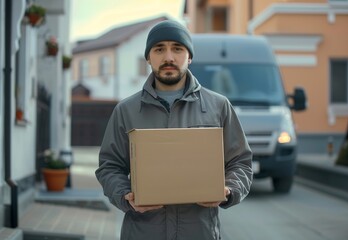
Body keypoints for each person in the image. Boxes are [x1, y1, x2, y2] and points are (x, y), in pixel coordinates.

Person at [95, 20, 253, 240]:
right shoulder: (126, 111)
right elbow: (109, 166)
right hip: (142, 233)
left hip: (200, 233)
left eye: (177, 48)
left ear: (189, 57)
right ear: (149, 58)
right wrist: (125, 195)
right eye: (159, 49)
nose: (168, 57)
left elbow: (240, 162)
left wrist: (228, 189)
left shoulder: (219, 106)